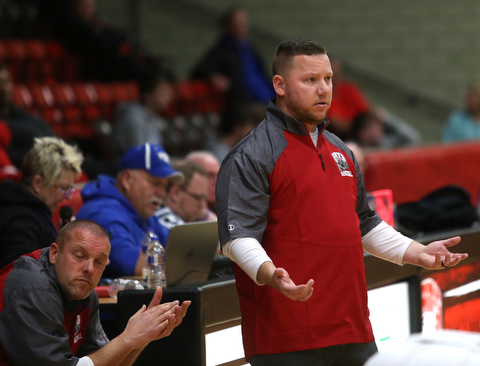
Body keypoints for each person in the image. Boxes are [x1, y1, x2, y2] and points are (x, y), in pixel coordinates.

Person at [215, 38, 468, 366]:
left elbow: (365, 223)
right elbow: (237, 236)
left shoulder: (340, 150)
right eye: (310, 80)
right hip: (286, 337)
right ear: (279, 85)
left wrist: (418, 253)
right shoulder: (252, 153)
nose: (323, 89)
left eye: (328, 79)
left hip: (353, 330)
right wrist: (268, 272)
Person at [0, 219, 190, 366]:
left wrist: (141, 338)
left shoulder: (84, 291)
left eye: (99, 261)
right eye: (80, 255)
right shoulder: (33, 287)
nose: (89, 268)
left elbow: (102, 361)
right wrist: (127, 339)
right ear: (54, 254)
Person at [76, 143, 183, 278]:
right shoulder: (102, 211)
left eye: (165, 186)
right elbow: (126, 262)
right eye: (155, 183)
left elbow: (175, 246)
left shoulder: (144, 213)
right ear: (127, 179)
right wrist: (186, 260)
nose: (162, 193)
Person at [0, 136, 83, 269]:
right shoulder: (21, 221)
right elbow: (22, 278)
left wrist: (62, 239)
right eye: (63, 188)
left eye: (70, 189)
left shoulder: (32, 212)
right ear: (38, 183)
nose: (67, 197)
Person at [190, 7, 275, 107]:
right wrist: (213, 77)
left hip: (268, 98)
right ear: (228, 26)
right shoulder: (222, 50)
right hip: (248, 105)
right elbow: (198, 71)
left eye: (244, 23)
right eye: (238, 23)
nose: (243, 26)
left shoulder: (249, 47)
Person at [0, 62, 54, 169]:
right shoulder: (2, 126)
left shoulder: (27, 116)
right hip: (39, 169)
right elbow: (10, 156)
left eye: (6, 82)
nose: (4, 88)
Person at [110, 70, 174, 160]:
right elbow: (141, 157)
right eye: (162, 93)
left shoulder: (153, 117)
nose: (168, 97)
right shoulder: (133, 118)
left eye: (168, 93)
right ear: (148, 96)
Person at [155, 160, 210, 231]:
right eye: (198, 198)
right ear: (175, 193)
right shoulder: (169, 224)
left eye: (204, 199)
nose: (203, 206)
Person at [326, 57, 371, 140]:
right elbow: (340, 126)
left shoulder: (348, 88)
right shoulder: (322, 98)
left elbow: (367, 112)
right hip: (346, 137)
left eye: (337, 74)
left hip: (364, 130)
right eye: (331, 76)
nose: (335, 78)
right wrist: (358, 126)